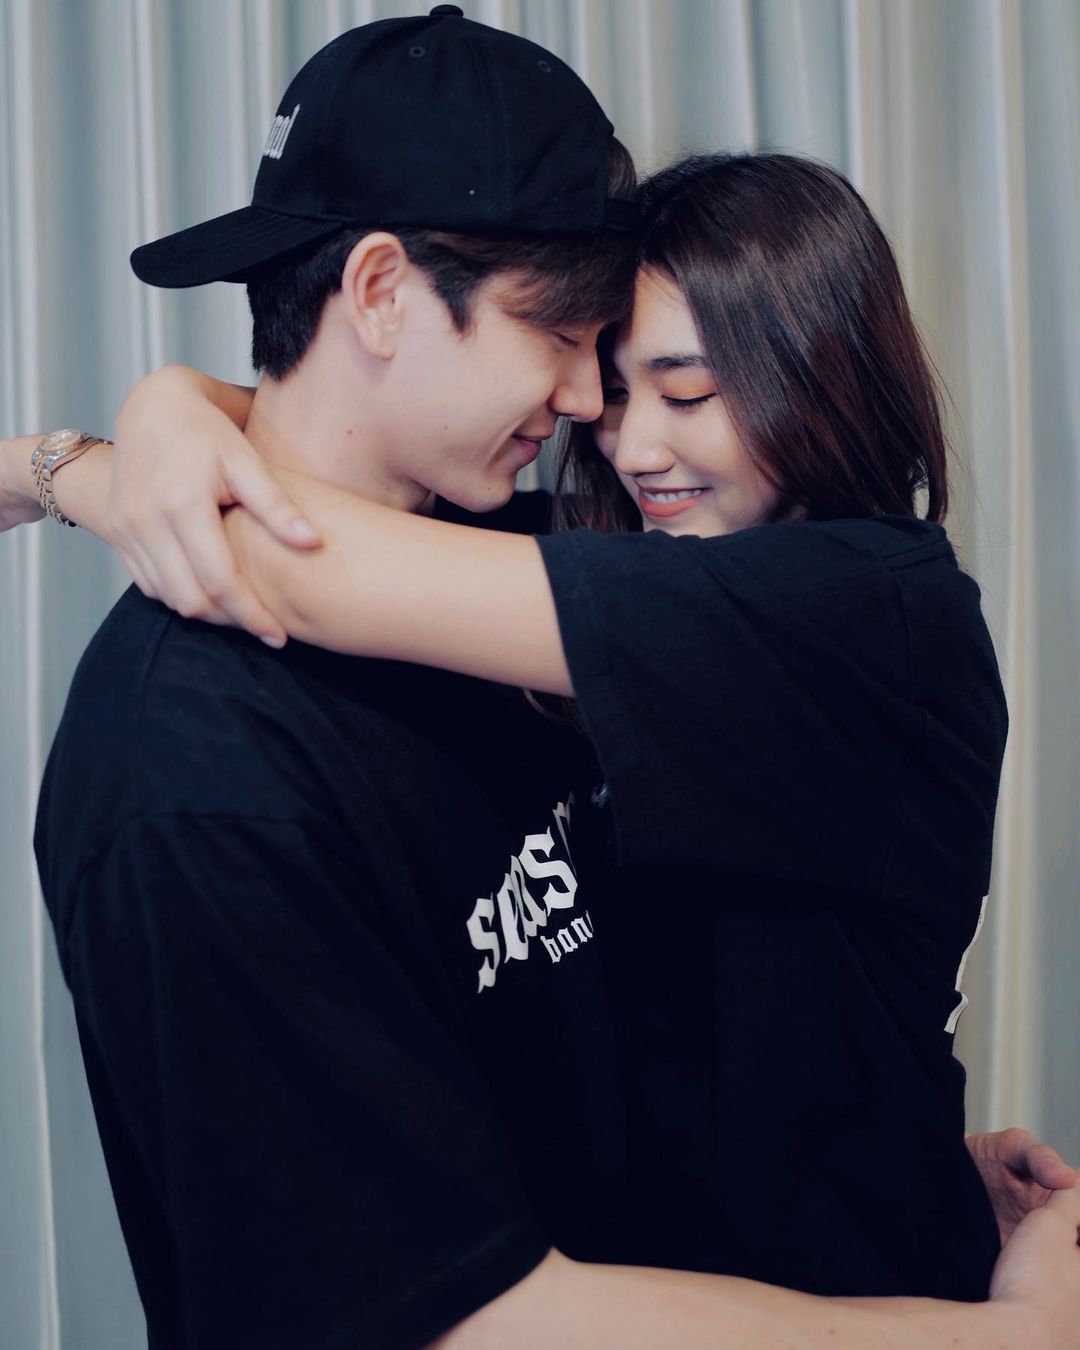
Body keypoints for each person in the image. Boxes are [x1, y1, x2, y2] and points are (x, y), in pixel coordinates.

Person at [3, 14, 1078, 1350]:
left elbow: (312, 562)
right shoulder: (194, 778)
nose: (595, 415)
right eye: (570, 338)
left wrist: (111, 449)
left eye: (680, 385)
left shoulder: (785, 598)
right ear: (380, 292)